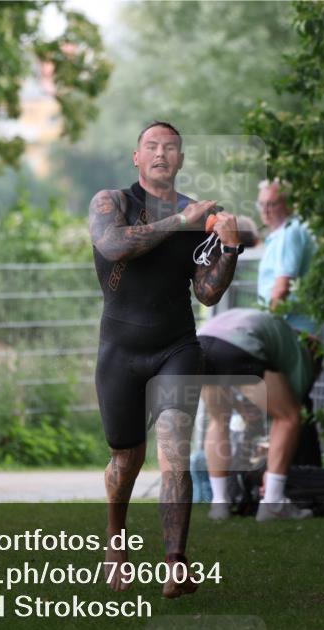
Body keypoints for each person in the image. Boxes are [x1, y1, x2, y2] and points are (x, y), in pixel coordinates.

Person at [88, 121, 242, 598]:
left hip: (177, 346)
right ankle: (117, 539)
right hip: (120, 352)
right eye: (152, 146)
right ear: (137, 157)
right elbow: (113, 245)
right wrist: (181, 220)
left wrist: (230, 248)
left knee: (174, 450)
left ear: (179, 160)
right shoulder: (110, 202)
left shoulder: (198, 216)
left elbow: (207, 292)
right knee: (125, 458)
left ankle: (175, 562)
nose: (161, 153)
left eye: (171, 147)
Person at [197, 308, 321, 521]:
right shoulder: (302, 354)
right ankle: (273, 502)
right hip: (239, 346)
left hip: (200, 344)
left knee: (218, 420)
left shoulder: (272, 328)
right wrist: (271, 469)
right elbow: (285, 414)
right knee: (289, 417)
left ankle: (220, 504)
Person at [255, 179, 318, 335]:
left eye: (272, 204)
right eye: (261, 204)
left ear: (288, 204)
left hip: (294, 330)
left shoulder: (290, 232)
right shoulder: (282, 234)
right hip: (292, 327)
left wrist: (266, 327)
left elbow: (282, 287)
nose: (265, 210)